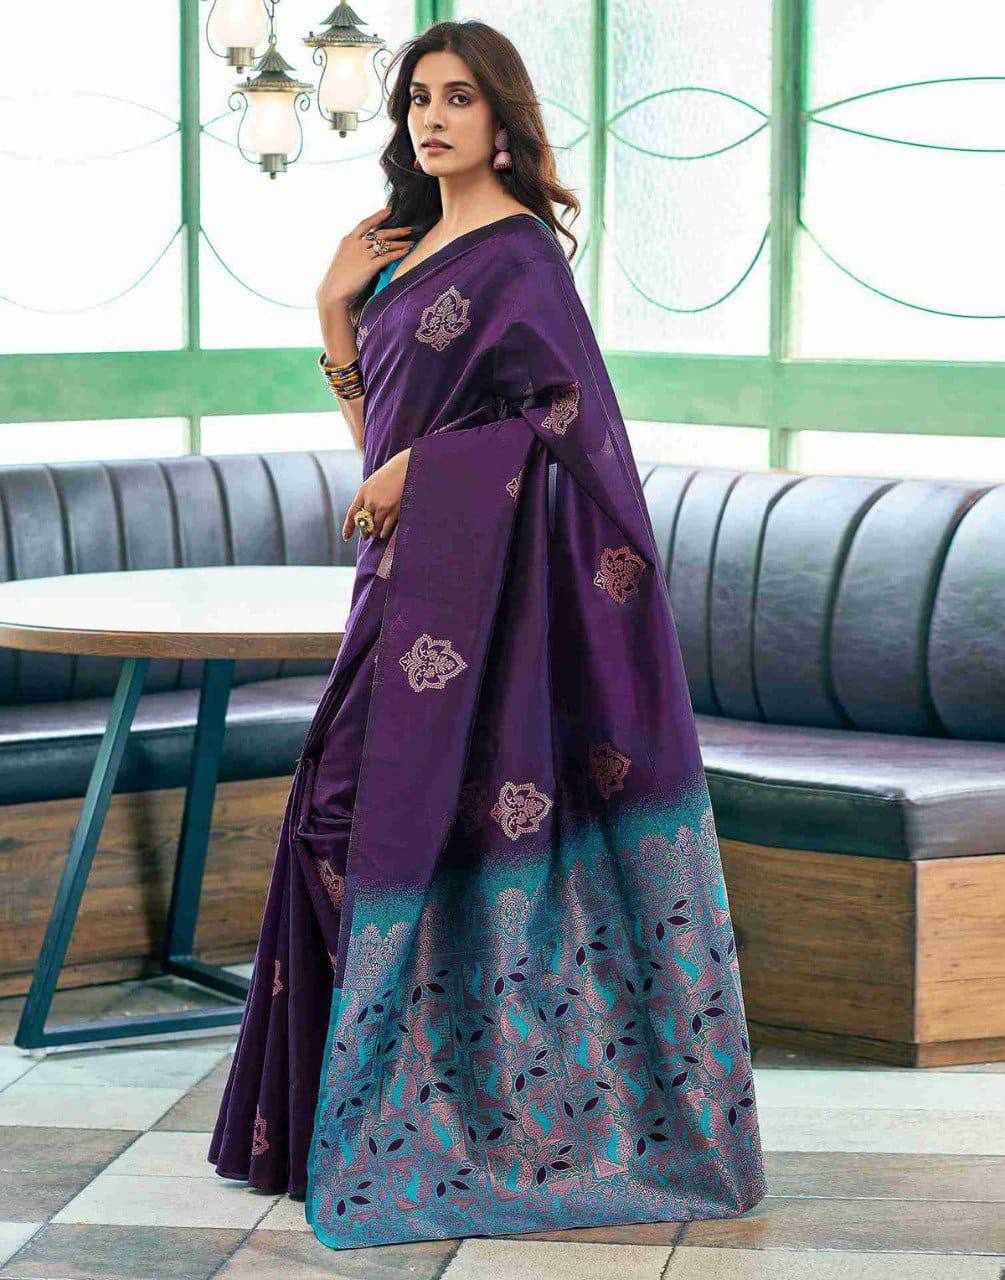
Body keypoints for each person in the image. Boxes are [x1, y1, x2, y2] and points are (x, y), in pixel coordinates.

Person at [208, 18, 767, 1250]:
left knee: (359, 815)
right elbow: (379, 445)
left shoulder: (518, 256)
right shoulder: (405, 252)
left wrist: (423, 470)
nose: (431, 117)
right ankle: (344, 1115)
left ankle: (460, 1110)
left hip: (486, 603)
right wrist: (335, 312)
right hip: (401, 584)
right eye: (417, 98)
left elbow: (566, 422)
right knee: (335, 815)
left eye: (457, 97)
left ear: (503, 122)